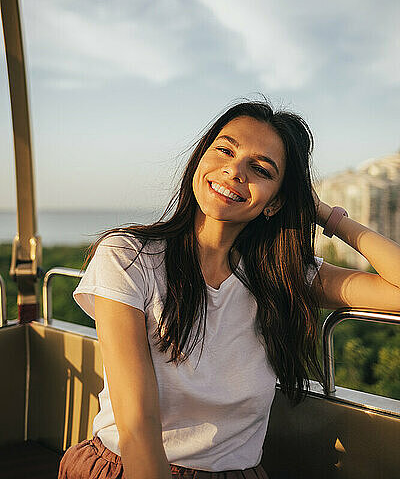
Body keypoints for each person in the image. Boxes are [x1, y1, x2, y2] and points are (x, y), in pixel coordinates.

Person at [58, 98, 400, 479]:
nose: (234, 171)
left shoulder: (283, 275)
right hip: (129, 466)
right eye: (224, 149)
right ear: (201, 158)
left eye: (260, 169)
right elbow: (139, 425)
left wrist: (323, 213)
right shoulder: (128, 257)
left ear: (275, 202)